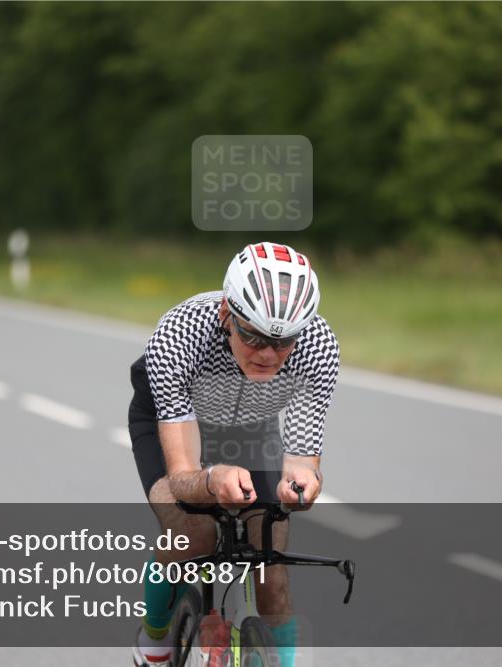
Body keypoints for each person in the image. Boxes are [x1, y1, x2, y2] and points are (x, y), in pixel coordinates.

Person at [128, 242, 340, 667]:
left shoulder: (318, 346)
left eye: (283, 343)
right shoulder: (180, 333)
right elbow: (184, 474)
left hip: (250, 428)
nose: (267, 354)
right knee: (194, 532)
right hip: (173, 420)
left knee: (272, 568)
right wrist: (211, 480)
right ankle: (153, 636)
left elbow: (301, 459)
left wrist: (300, 484)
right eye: (253, 336)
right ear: (227, 312)